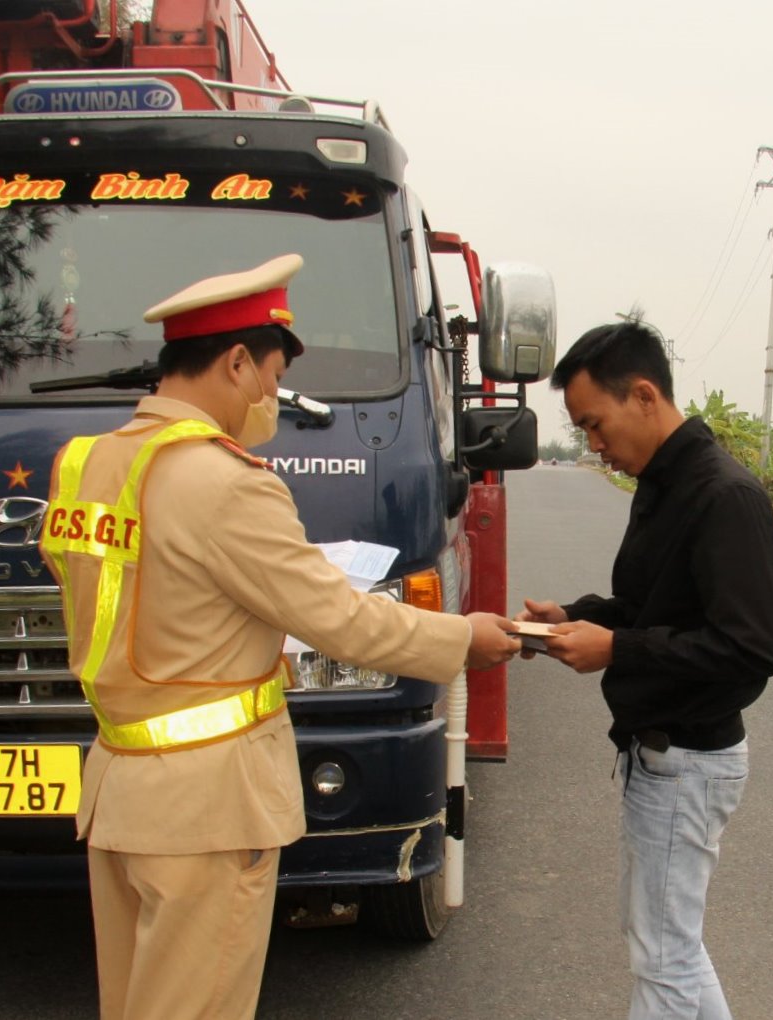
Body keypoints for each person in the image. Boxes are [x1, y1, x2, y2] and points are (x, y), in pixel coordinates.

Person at [40, 253, 522, 1020]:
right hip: (207, 806)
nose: (272, 397)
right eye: (269, 376)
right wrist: (461, 637)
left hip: (119, 787)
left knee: (134, 1004)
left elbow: (135, 595)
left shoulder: (86, 464)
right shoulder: (225, 482)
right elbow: (342, 619)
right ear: (234, 362)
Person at [517, 319, 773, 1020]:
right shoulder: (661, 484)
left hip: (690, 758)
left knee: (663, 955)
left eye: (596, 425)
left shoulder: (724, 496)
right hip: (661, 755)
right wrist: (570, 618)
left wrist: (618, 649)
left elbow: (750, 649)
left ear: (643, 395)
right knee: (665, 948)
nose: (595, 446)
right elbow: (645, 606)